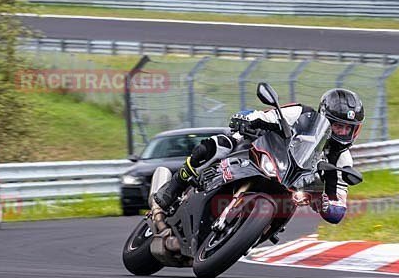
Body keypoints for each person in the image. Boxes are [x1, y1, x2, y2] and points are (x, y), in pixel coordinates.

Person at [152, 88, 364, 225]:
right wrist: (249, 120)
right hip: (264, 153)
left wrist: (331, 204)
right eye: (338, 125)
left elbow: (339, 200)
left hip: (289, 186)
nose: (342, 132)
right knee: (219, 145)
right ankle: (174, 187)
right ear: (325, 117)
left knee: (285, 214)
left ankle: (250, 233)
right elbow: (267, 115)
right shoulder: (302, 114)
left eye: (348, 128)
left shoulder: (342, 160)